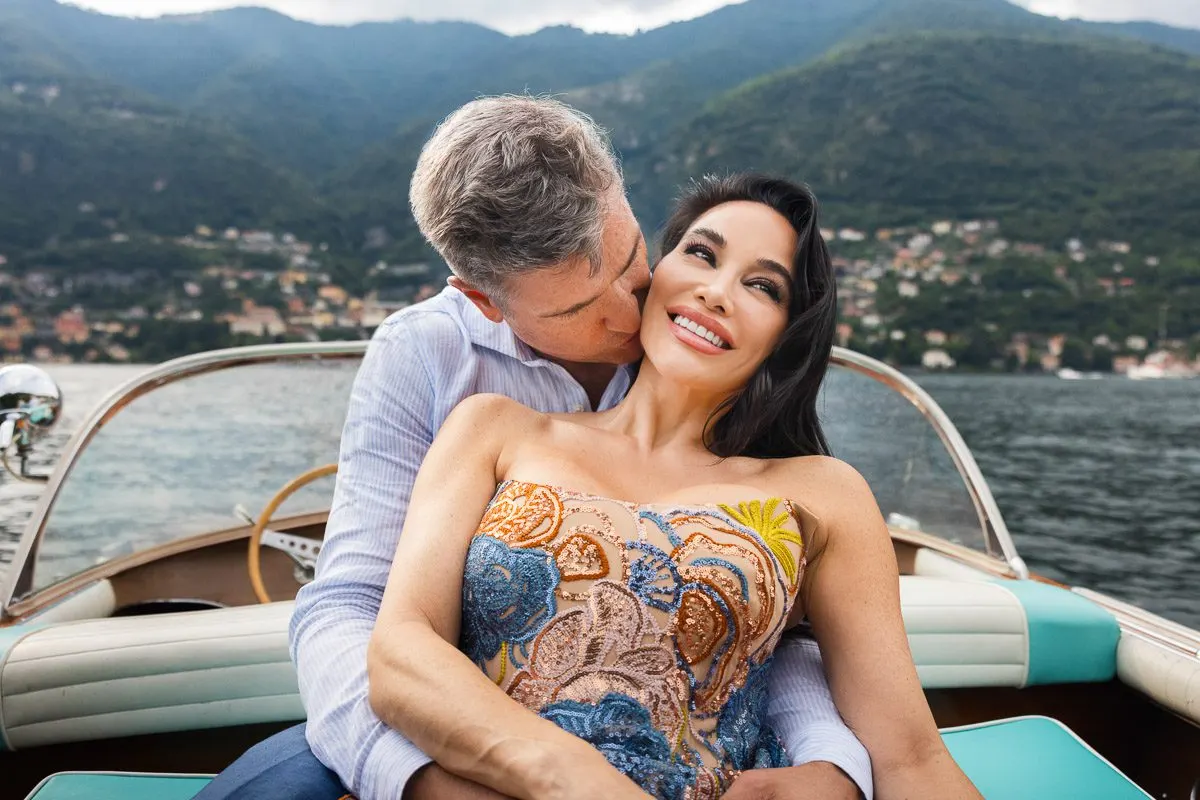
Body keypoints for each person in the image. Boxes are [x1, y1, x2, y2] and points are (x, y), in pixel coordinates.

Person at [196, 96, 871, 800]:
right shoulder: (430, 358)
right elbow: (352, 610)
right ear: (485, 300)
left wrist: (830, 764)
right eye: (577, 309)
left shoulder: (703, 341)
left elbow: (759, 607)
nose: (627, 307)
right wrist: (425, 778)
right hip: (446, 723)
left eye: (632, 259)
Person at [365, 172, 982, 800]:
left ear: (786, 335)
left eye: (762, 286)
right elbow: (401, 651)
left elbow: (908, 757)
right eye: (702, 254)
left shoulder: (822, 494)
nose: (716, 292)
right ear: (653, 274)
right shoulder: (495, 430)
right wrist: (571, 780)